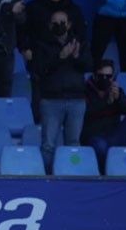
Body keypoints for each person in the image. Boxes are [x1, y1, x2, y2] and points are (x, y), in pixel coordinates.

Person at [20, 0, 87, 122]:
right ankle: (37, 126)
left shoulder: (73, 9)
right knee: (38, 97)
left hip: (66, 59)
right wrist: (24, 47)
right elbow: (23, 30)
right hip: (39, 58)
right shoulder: (34, 7)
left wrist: (75, 49)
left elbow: (81, 34)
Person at [30, 10, 92, 172]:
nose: (59, 26)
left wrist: (77, 56)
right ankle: (47, 179)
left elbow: (89, 66)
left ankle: (72, 176)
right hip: (51, 100)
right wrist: (60, 57)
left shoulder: (79, 43)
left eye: (63, 22)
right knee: (48, 145)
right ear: (50, 25)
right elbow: (38, 69)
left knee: (73, 143)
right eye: (55, 23)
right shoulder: (41, 45)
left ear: (69, 24)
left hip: (76, 100)